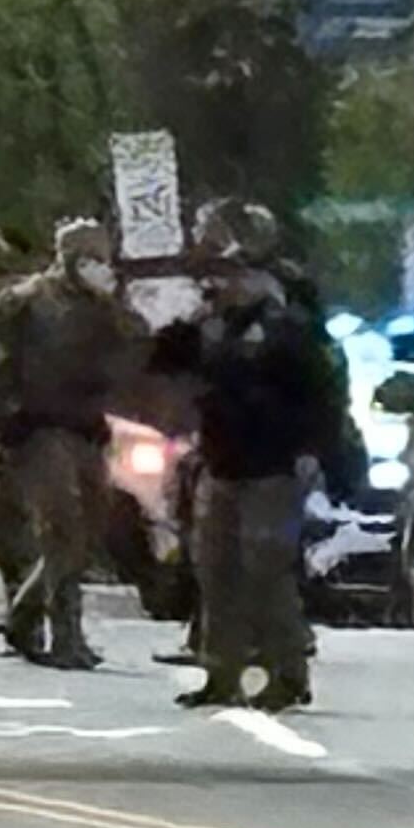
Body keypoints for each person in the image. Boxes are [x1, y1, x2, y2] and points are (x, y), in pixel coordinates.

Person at [150, 201, 348, 712]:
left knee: (265, 570)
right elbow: (162, 357)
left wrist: (314, 451)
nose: (225, 285)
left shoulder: (287, 330)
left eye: (233, 275)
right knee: (215, 570)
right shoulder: (213, 328)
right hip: (222, 459)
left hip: (272, 464)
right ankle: (222, 671)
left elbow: (322, 394)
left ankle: (287, 671)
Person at [0, 218, 145, 673]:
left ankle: (23, 616)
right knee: (61, 528)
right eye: (90, 254)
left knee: (86, 530)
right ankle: (66, 634)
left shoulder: (102, 306)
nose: (98, 263)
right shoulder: (24, 300)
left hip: (86, 425)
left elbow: (137, 346)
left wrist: (112, 303)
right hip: (37, 425)